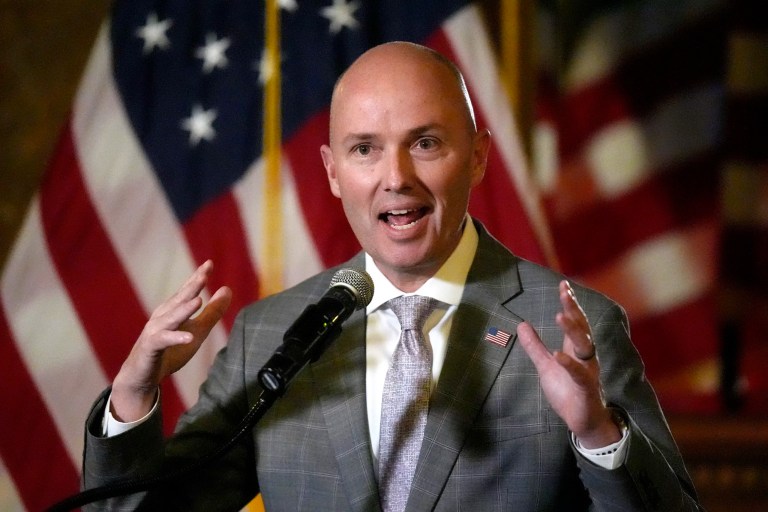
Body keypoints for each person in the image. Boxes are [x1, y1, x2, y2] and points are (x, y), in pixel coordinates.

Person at [81, 42, 701, 511]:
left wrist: (598, 433)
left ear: (479, 155)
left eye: (425, 143)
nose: (395, 176)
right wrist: (133, 399)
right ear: (330, 171)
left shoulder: (576, 324)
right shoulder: (272, 333)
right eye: (364, 149)